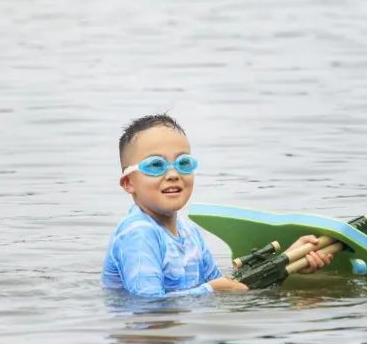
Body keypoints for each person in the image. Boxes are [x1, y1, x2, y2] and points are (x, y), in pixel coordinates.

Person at [102, 114, 332, 298]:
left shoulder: (188, 232)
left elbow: (227, 286)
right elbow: (147, 306)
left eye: (183, 163)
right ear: (128, 183)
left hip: (179, 343)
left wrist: (289, 262)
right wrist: (211, 289)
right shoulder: (138, 233)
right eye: (156, 165)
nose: (173, 174)